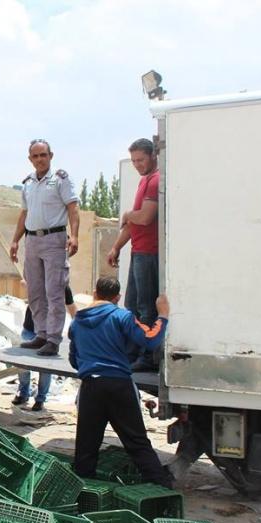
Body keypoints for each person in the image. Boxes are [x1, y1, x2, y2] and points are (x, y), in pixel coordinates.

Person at [69, 276, 173, 488]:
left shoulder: (77, 321)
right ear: (117, 298)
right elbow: (151, 340)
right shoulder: (122, 317)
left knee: (86, 447)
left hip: (91, 387)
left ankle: (82, 498)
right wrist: (163, 315)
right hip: (118, 386)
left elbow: (73, 358)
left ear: (95, 293)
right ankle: (162, 491)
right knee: (137, 442)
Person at [10, 139, 80, 357]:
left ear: (51, 156)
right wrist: (15, 240)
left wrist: (75, 236)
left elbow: (73, 207)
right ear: (30, 159)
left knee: (55, 291)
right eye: (35, 156)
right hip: (32, 241)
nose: (40, 159)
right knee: (35, 291)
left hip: (54, 239)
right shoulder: (28, 183)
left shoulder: (60, 179)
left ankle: (53, 339)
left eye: (43, 155)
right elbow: (24, 213)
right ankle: (41, 333)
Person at [107, 138, 160, 371]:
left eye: (141, 160)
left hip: (149, 253)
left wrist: (129, 213)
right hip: (139, 251)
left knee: (146, 307)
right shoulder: (144, 181)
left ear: (153, 156)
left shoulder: (155, 180)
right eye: (134, 161)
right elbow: (132, 223)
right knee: (132, 305)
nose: (137, 165)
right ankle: (131, 353)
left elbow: (144, 217)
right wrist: (116, 247)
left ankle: (147, 357)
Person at [14, 283, 77, 411]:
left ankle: (40, 399)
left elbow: (71, 307)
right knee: (22, 365)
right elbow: (24, 281)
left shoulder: (62, 286)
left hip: (49, 335)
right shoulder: (37, 278)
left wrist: (79, 327)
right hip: (29, 329)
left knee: (45, 369)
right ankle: (23, 393)